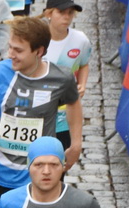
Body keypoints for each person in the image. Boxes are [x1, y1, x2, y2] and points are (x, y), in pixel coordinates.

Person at [0, 16, 80, 192]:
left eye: (18, 50)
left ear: (39, 51)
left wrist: (76, 144)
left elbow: (74, 104)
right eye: (10, 47)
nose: (11, 54)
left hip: (41, 174)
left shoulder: (61, 78)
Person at [42, 0, 90, 144]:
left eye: (70, 13)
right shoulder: (37, 39)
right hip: (39, 114)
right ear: (48, 14)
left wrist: (82, 84)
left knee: (61, 161)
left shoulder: (81, 40)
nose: (66, 17)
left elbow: (84, 64)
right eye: (61, 12)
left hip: (65, 116)